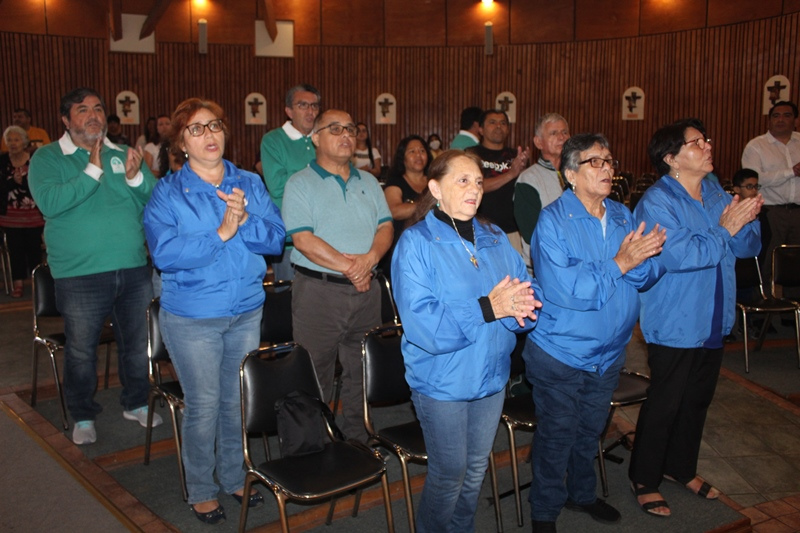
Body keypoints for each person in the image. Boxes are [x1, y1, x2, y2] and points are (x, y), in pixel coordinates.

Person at [144, 98, 285, 525]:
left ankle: (232, 474)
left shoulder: (248, 182)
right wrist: (221, 232)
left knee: (234, 400)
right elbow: (165, 254)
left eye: (215, 126)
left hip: (245, 309)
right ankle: (201, 489)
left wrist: (245, 222)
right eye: (197, 129)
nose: (210, 135)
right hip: (193, 316)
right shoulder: (168, 192)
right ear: (181, 143)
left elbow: (276, 239)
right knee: (204, 403)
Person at [391, 150, 541, 532]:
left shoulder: (492, 237)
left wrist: (524, 304)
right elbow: (424, 324)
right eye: (462, 181)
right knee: (449, 474)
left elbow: (525, 288)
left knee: (475, 470)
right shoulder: (416, 243)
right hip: (443, 381)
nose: (474, 189)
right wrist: (488, 308)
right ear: (435, 188)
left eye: (477, 181)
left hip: (491, 376)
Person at [524, 134, 665, 533]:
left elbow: (652, 272)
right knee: (557, 434)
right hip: (561, 352)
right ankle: (545, 511)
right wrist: (622, 262)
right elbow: (568, 290)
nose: (607, 169)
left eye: (609, 161)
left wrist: (636, 263)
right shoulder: (552, 221)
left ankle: (581, 494)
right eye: (595, 162)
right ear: (570, 174)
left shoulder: (621, 214)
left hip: (609, 352)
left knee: (591, 430)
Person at [630, 119, 762, 518]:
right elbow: (683, 256)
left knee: (697, 400)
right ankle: (644, 477)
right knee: (666, 402)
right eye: (696, 142)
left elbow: (749, 245)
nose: (707, 145)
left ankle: (680, 468)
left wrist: (744, 220)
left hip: (713, 316)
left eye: (705, 138)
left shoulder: (716, 193)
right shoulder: (658, 202)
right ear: (671, 158)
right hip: (676, 319)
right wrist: (726, 229)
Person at [28, 87, 161, 445]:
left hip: (132, 268)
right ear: (66, 120)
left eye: (98, 108)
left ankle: (135, 402)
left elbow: (153, 199)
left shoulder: (122, 153)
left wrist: (136, 176)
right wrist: (91, 168)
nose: (93, 115)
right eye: (83, 110)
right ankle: (83, 414)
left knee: (136, 344)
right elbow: (51, 203)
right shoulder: (47, 158)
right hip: (80, 274)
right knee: (82, 349)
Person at [281, 109, 393, 442]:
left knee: (361, 370)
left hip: (366, 292)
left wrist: (370, 259)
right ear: (315, 138)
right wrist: (352, 268)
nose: (346, 134)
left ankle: (357, 437)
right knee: (314, 373)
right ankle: (311, 447)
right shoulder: (300, 183)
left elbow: (385, 226)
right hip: (319, 292)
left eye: (350, 128)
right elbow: (303, 239)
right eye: (335, 129)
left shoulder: (369, 181)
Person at [260, 83, 321, 282]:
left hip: (324, 235)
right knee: (290, 302)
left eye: (314, 106)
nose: (310, 111)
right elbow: (277, 186)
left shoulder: (324, 139)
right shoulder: (273, 140)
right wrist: (319, 176)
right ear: (289, 111)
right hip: (290, 239)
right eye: (303, 105)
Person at [741, 101, 800, 280]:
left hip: (798, 211)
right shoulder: (757, 146)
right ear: (769, 121)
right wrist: (791, 172)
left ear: (795, 120)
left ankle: (794, 304)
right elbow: (755, 180)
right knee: (769, 261)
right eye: (776, 116)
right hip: (771, 212)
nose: (781, 119)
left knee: (796, 265)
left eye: (787, 115)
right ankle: (767, 301)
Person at [467, 109, 530, 256]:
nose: (498, 126)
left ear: (508, 129)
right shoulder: (471, 154)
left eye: (503, 123)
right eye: (492, 122)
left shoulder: (515, 156)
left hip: (512, 231)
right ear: (481, 129)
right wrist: (511, 174)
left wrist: (525, 171)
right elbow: (474, 186)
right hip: (479, 229)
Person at [514, 113, 570, 273]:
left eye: (565, 132)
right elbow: (531, 232)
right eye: (554, 133)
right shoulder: (528, 179)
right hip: (542, 267)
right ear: (538, 142)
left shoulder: (579, 175)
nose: (561, 137)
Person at [0, 126, 44, 298]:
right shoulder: (2, 161)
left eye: (16, 140)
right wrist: (13, 182)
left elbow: (40, 184)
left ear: (24, 142)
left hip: (33, 214)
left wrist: (22, 182)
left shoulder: (34, 159)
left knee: (34, 249)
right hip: (10, 215)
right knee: (15, 249)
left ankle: (36, 284)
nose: (12, 143)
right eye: (9, 140)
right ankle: (18, 283)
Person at [380, 135, 432, 278]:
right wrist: (429, 204)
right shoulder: (395, 182)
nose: (418, 155)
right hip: (403, 248)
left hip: (432, 246)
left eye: (422, 151)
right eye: (412, 151)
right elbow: (394, 211)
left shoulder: (435, 181)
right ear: (402, 157)